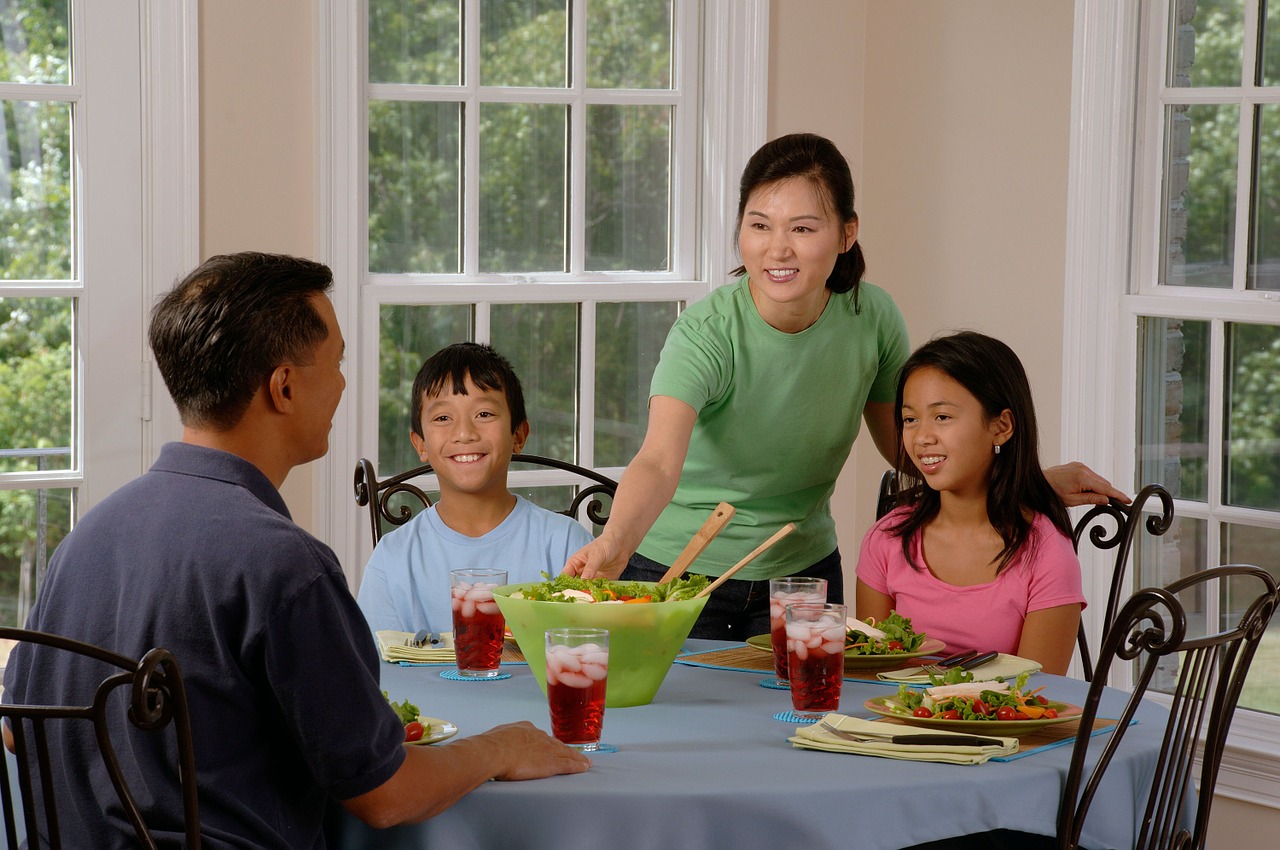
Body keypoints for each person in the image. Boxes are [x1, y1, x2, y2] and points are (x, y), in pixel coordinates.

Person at [2, 252, 589, 848]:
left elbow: (18, 732)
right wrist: (502, 744)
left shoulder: (84, 541)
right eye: (336, 363)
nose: (340, 383)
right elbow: (388, 795)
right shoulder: (283, 564)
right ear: (283, 387)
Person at [564, 132, 1123, 641]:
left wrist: (1025, 477)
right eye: (759, 225)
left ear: (847, 233)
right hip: (676, 567)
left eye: (802, 228)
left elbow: (909, 446)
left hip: (802, 574)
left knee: (808, 730)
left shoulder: (872, 316)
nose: (777, 249)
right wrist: (615, 546)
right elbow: (659, 462)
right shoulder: (707, 333)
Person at [855, 331, 1084, 675]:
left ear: (1001, 427)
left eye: (942, 417)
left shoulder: (1046, 553)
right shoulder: (886, 539)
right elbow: (868, 675)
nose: (922, 437)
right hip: (892, 724)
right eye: (910, 419)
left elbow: (1040, 694)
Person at [357, 342, 593, 634]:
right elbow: (375, 670)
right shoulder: (393, 557)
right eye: (443, 418)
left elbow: (593, 648)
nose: (465, 433)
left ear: (518, 435)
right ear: (420, 444)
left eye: (484, 414)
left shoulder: (566, 545)